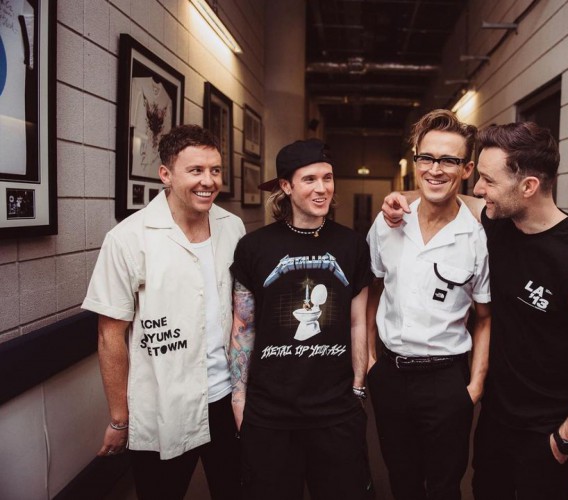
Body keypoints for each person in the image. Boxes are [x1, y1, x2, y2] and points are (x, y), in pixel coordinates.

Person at [382, 121, 568, 499]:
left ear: (528, 186)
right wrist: (396, 198)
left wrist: (564, 441)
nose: (479, 189)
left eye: (488, 180)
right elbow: (443, 195)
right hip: (494, 422)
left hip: (546, 433)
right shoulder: (497, 221)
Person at [82, 124, 245, 499]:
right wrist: (119, 419)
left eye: (215, 170)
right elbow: (110, 334)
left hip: (227, 399)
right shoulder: (128, 238)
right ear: (166, 174)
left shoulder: (232, 227)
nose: (208, 181)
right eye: (196, 170)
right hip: (163, 405)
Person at [229, 138, 373, 500]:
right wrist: (239, 399)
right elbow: (243, 327)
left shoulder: (352, 245)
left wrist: (357, 388)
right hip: (270, 411)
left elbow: (358, 322)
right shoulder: (254, 247)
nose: (322, 188)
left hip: (336, 409)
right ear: (286, 186)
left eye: (327, 178)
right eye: (309, 179)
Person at [365, 109, 491, 500]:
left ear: (466, 169)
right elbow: (372, 290)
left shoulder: (477, 237)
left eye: (449, 160)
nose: (435, 170)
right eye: (427, 158)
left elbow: (485, 317)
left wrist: (475, 386)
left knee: (444, 486)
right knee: (401, 480)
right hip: (390, 376)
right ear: (416, 162)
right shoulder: (387, 223)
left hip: (446, 380)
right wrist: (369, 361)